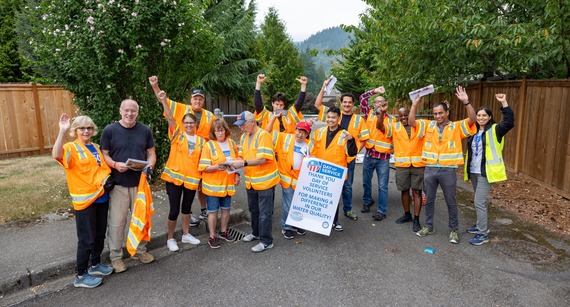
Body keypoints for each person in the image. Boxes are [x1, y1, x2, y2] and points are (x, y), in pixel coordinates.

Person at [52, 113, 113, 288]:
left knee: (100, 234)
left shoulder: (95, 146)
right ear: (75, 130)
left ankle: (95, 265)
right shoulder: (71, 147)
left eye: (89, 128)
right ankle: (80, 275)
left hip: (101, 197)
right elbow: (56, 154)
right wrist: (62, 131)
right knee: (87, 239)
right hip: (85, 202)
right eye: (82, 128)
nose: (86, 131)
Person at [409, 86, 476, 244]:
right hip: (430, 169)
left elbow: (472, 120)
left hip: (448, 170)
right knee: (430, 199)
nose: (438, 116)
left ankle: (453, 230)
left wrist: (466, 102)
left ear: (447, 113)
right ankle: (429, 226)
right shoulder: (428, 126)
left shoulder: (456, 127)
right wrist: (414, 104)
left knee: (450, 201)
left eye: (441, 113)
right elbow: (412, 122)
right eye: (435, 113)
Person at [100, 99, 157, 272]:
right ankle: (116, 257)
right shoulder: (110, 130)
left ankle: (139, 251)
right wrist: (116, 165)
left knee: (141, 218)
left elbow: (151, 153)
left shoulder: (145, 130)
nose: (130, 113)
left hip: (140, 184)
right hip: (119, 184)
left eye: (133, 110)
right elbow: (105, 155)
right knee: (117, 222)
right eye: (127, 110)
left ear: (137, 112)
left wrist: (150, 166)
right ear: (120, 111)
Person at [149, 76, 211, 226]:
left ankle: (203, 210)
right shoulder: (182, 109)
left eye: (200, 99)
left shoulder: (210, 115)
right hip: (182, 153)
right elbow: (164, 102)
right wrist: (155, 86)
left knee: (200, 185)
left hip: (201, 155)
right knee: (182, 190)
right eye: (195, 99)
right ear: (191, 100)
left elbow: (216, 133)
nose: (197, 101)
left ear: (203, 101)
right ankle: (187, 216)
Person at [464, 93, 514, 245]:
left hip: (486, 173)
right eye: (479, 115)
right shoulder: (474, 132)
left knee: (478, 201)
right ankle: (480, 225)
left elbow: (509, 122)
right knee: (480, 201)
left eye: (484, 115)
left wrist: (504, 102)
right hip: (473, 171)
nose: (480, 118)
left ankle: (483, 234)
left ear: (489, 117)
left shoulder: (495, 130)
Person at [315, 79, 368, 221]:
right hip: (332, 159)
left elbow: (363, 139)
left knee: (347, 186)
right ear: (341, 103)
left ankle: (348, 210)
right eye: (345, 102)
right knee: (328, 187)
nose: (347, 104)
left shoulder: (359, 120)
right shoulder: (334, 113)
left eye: (350, 102)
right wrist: (323, 87)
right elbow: (318, 104)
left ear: (353, 104)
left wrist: (354, 152)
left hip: (348, 159)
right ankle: (326, 212)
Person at [157, 90, 202, 252]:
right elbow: (170, 117)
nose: (189, 125)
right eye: (187, 123)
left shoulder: (201, 141)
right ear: (183, 124)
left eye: (192, 123)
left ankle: (186, 234)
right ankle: (170, 238)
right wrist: (163, 100)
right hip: (174, 179)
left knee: (187, 208)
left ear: (195, 124)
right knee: (174, 209)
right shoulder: (177, 135)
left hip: (191, 180)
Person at [231, 111, 280, 252]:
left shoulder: (263, 135)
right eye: (239, 126)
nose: (241, 128)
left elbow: (262, 159)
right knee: (254, 210)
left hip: (265, 182)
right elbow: (242, 154)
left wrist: (243, 163)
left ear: (252, 122)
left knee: (265, 213)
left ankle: (266, 241)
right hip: (252, 181)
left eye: (243, 125)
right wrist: (235, 162)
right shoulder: (244, 137)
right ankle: (256, 233)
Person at [377, 96, 425, 232]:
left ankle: (416, 219)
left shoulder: (419, 125)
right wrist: (382, 112)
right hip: (402, 166)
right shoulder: (395, 127)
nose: (404, 118)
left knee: (417, 191)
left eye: (406, 115)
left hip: (418, 165)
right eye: (401, 116)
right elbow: (379, 126)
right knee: (404, 190)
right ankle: (407, 215)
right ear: (398, 117)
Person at [309, 106, 358, 231]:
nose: (330, 120)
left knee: (333, 199)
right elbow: (312, 148)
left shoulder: (344, 134)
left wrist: (351, 140)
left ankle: (334, 221)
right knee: (321, 198)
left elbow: (352, 153)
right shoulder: (319, 131)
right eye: (329, 117)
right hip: (320, 171)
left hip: (336, 173)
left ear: (339, 119)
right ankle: (321, 220)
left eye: (333, 117)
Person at [266, 117, 312, 239]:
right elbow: (268, 133)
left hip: (300, 180)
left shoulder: (309, 145)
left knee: (298, 204)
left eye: (304, 132)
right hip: (286, 178)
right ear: (295, 130)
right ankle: (286, 227)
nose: (300, 134)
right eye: (299, 130)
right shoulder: (284, 137)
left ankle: (296, 224)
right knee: (288, 204)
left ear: (307, 134)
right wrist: (273, 119)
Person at [198, 119, 240, 248]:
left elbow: (238, 161)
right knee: (213, 212)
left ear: (226, 130)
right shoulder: (209, 146)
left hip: (227, 184)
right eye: (217, 130)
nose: (220, 133)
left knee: (226, 210)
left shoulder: (232, 143)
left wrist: (237, 175)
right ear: (213, 132)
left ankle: (223, 231)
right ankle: (212, 236)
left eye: (221, 129)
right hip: (213, 186)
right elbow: (203, 167)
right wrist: (217, 166)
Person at [359, 86, 396, 220]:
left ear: (386, 104)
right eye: (377, 102)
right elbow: (362, 98)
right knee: (366, 181)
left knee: (382, 185)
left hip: (383, 158)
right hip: (369, 154)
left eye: (382, 102)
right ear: (373, 104)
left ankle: (381, 210)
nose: (379, 104)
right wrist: (375, 91)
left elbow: (385, 131)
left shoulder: (391, 120)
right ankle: (367, 201)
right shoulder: (368, 113)